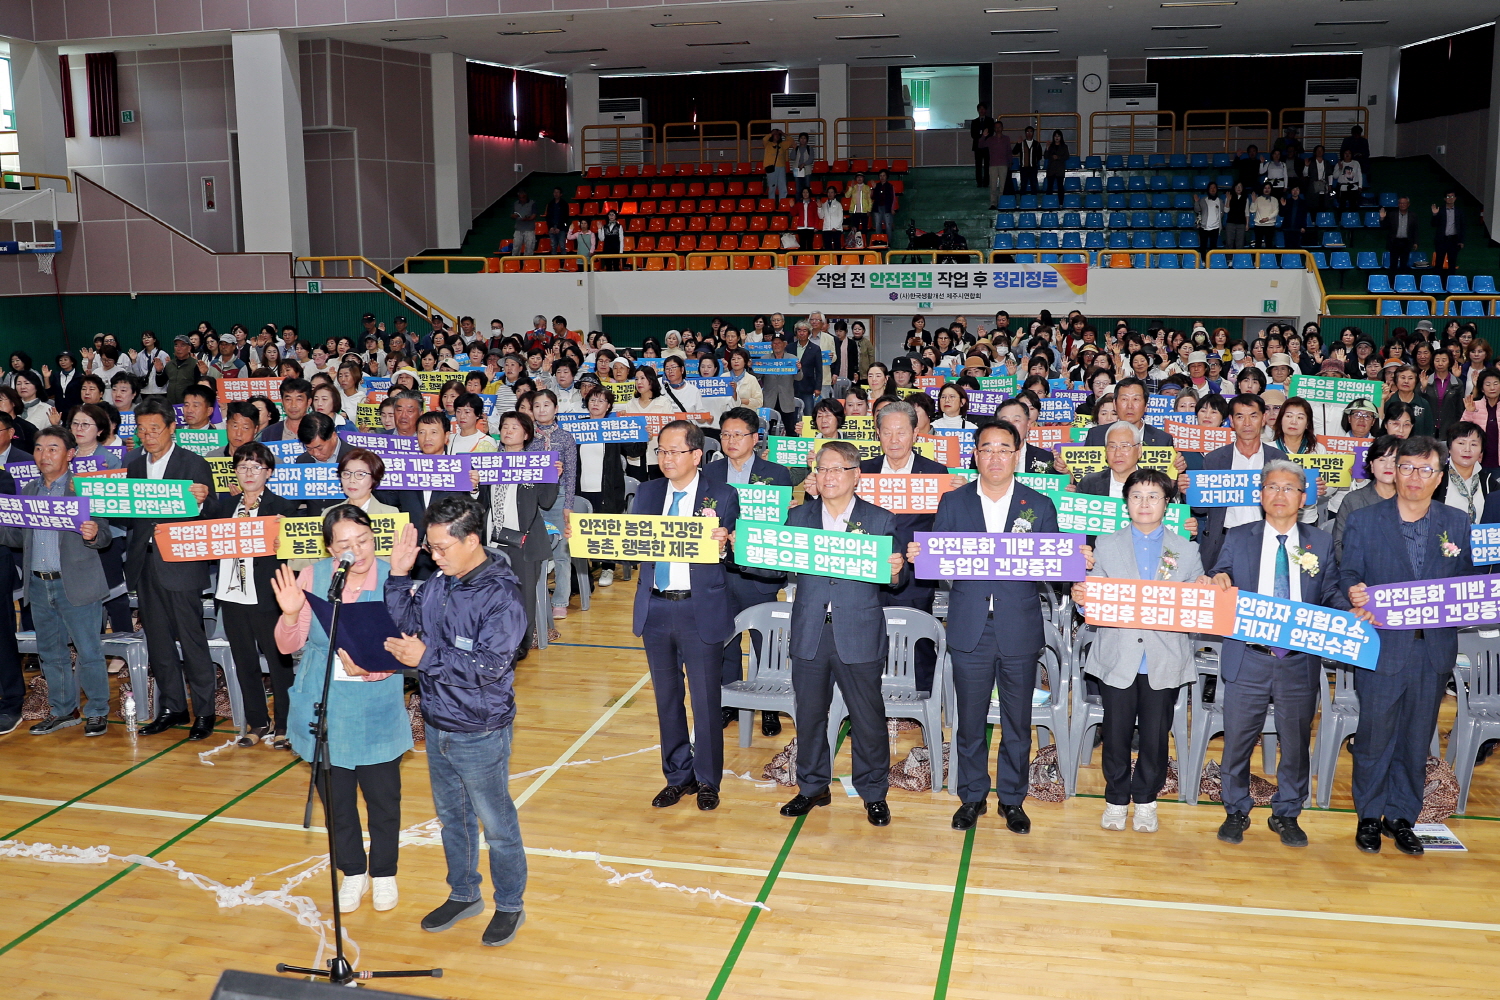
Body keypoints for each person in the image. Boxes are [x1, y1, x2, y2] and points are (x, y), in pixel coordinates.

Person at [384, 498, 530, 944]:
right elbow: (408, 621)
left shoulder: (501, 595)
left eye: (442, 547)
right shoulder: (439, 583)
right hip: (438, 719)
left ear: (472, 540)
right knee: (453, 819)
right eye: (430, 548)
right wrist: (397, 576)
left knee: (496, 822)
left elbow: (490, 666)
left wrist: (427, 658)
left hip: (480, 727)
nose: (435, 555)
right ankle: (464, 893)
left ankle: (510, 904)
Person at [923, 420, 1058, 833]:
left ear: (1017, 454)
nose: (995, 457)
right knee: (970, 718)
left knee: (1017, 720)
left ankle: (1013, 800)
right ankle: (972, 796)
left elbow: (1051, 569)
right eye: (987, 449)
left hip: (1018, 626)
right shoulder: (954, 502)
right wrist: (926, 554)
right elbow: (940, 565)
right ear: (976, 455)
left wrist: (1073, 562)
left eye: (1004, 449)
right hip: (970, 626)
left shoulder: (1039, 504)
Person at [1343, 435, 1474, 857]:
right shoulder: (1366, 520)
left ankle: (1401, 815)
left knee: (1417, 739)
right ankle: (1368, 815)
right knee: (1374, 736)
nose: (1414, 478)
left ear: (1439, 477)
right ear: (1392, 471)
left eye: (1424, 470)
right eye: (1406, 468)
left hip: (1432, 650)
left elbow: (1467, 583)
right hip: (1381, 646)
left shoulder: (1456, 523)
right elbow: (1346, 573)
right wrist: (1354, 593)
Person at [1205, 459, 1345, 848]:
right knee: (1236, 740)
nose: (1279, 495)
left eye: (1288, 489)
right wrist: (1219, 578)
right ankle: (1235, 809)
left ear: (1303, 497)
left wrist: (1347, 610)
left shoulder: (1318, 541)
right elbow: (1223, 572)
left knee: (1296, 742)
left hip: (1298, 659)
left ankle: (1286, 812)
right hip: (1248, 654)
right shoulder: (1240, 535)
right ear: (1260, 494)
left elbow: (1330, 591)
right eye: (1271, 487)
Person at [779, 440, 906, 827]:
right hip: (809, 631)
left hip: (859, 631)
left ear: (856, 476)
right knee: (811, 715)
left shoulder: (880, 519)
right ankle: (812, 786)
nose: (827, 476)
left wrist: (896, 568)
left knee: (868, 718)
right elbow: (770, 568)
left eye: (836, 469)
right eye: (822, 469)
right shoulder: (798, 517)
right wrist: (738, 544)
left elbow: (895, 582)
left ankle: (873, 793)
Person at [619, 420, 738, 811]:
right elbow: (631, 544)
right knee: (667, 699)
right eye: (661, 452)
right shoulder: (649, 493)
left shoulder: (721, 494)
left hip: (697, 608)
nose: (666, 459)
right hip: (654, 606)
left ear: (696, 455)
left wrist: (723, 545)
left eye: (674, 451)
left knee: (705, 702)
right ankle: (677, 776)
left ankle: (707, 780)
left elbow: (731, 555)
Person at [1075, 468, 1201, 834]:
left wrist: (1206, 588)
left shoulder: (1186, 549)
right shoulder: (1107, 544)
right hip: (1119, 653)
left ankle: (1146, 799)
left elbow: (1196, 601)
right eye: (1136, 496)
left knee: (1155, 733)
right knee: (1114, 732)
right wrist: (1082, 598)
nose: (1144, 503)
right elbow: (1093, 596)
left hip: (1165, 656)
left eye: (1153, 496)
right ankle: (1115, 798)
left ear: (1167, 503)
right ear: (1125, 502)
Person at [0, 426, 113, 737]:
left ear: (70, 454)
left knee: (88, 650)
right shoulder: (29, 491)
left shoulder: (85, 489)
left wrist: (93, 534)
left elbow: (104, 535)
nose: (43, 455)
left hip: (75, 583)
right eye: (38, 448)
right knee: (51, 652)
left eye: (52, 448)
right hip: (38, 583)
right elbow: (15, 537)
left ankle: (98, 711)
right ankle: (64, 711)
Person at [128, 399, 217, 740]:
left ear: (171, 428)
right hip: (145, 563)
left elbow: (211, 512)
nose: (147, 436)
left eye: (154, 429)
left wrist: (205, 498)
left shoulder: (192, 463)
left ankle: (205, 711)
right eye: (141, 430)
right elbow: (129, 513)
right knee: (159, 641)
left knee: (192, 641)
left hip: (181, 564)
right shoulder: (135, 466)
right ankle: (172, 706)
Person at [701, 407, 793, 734]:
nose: (730, 440)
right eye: (725, 434)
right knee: (724, 638)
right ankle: (731, 700)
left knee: (763, 641)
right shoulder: (709, 473)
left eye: (738, 434)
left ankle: (768, 704)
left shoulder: (777, 473)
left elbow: (780, 524)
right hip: (719, 570)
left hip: (760, 572)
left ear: (755, 439)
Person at [207, 442, 299, 748]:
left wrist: (282, 543)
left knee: (279, 664)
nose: (249, 472)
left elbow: (294, 555)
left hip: (268, 596)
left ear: (268, 473)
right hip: (232, 596)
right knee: (244, 662)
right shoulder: (222, 508)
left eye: (256, 466)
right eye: (243, 466)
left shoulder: (283, 508)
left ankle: (286, 725)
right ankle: (258, 722)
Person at [1195, 394, 1288, 571]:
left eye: (1253, 416)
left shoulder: (1278, 459)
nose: (1247, 423)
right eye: (1240, 416)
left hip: (1266, 538)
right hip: (1223, 541)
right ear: (1231, 421)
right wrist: (1190, 492)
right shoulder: (1214, 459)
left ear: (1264, 419)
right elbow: (1200, 509)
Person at [1438, 421, 1498, 523]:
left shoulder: (1489, 483)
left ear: (1481, 451)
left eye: (1474, 444)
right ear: (1449, 448)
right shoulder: (1436, 478)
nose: (1467, 449)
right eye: (1461, 443)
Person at [1380, 196, 1418, 281]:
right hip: (1394, 242)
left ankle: (1402, 284)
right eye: (1400, 203)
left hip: (1406, 243)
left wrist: (1415, 242)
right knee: (1393, 265)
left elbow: (1415, 230)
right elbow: (1384, 227)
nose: (1402, 205)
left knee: (1404, 265)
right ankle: (1392, 284)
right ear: (1398, 204)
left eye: (1404, 203)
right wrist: (1382, 218)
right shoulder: (1392, 214)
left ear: (1408, 204)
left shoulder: (1413, 215)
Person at [1431, 190, 1466, 277]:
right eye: (1448, 196)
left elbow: (1462, 227)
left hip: (1454, 240)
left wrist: (1461, 241)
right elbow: (1433, 224)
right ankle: (1437, 284)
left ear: (1455, 198)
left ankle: (1451, 284)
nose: (1450, 198)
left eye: (1452, 196)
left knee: (1452, 263)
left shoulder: (1459, 211)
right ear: (1444, 199)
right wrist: (1434, 214)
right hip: (1441, 240)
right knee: (1439, 263)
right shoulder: (1440, 210)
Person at [970, 103, 996, 188]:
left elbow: (991, 133)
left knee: (987, 165)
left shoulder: (990, 121)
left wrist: (984, 137)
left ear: (986, 110)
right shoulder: (974, 122)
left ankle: (986, 182)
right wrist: (981, 136)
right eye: (980, 109)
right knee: (978, 165)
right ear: (978, 110)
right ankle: (979, 182)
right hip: (977, 146)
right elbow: (973, 135)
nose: (982, 111)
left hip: (987, 146)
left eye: (983, 109)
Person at [1012, 125, 1043, 196]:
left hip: (1033, 168)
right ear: (1025, 133)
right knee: (1023, 186)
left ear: (1033, 133)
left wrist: (1033, 160)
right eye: (1027, 132)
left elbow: (1040, 156)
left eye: (1031, 132)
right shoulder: (1021, 143)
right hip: (1023, 168)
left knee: (1034, 186)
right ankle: (1022, 201)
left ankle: (1033, 202)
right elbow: (1014, 152)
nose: (1029, 134)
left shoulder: (1037, 144)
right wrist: (1018, 144)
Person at [1196, 181, 1225, 255]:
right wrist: (1196, 202)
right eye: (1211, 188)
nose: (1213, 189)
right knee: (1203, 246)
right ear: (1208, 189)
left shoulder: (1220, 201)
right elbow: (1197, 210)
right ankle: (1203, 261)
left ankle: (1212, 263)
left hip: (1215, 227)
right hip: (1204, 227)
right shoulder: (1203, 200)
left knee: (1213, 247)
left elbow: (1222, 213)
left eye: (1214, 187)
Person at [510, 189, 537, 256]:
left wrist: (527, 219)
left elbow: (534, 215)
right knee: (516, 247)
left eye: (523, 197)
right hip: (518, 229)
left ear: (526, 196)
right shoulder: (516, 204)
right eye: (520, 197)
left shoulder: (532, 203)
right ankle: (515, 263)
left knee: (529, 248)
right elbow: (511, 214)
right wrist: (514, 216)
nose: (521, 199)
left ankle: (527, 264)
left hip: (529, 230)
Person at [1043, 129, 1069, 196]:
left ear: (1061, 137)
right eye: (1055, 136)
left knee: (1060, 187)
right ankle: (1049, 203)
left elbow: (1066, 156)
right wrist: (1047, 148)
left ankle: (1061, 203)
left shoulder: (1064, 146)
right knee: (1049, 187)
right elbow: (1045, 156)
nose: (1057, 138)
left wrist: (1058, 157)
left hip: (1060, 170)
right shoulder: (1051, 146)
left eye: (1058, 136)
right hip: (1051, 170)